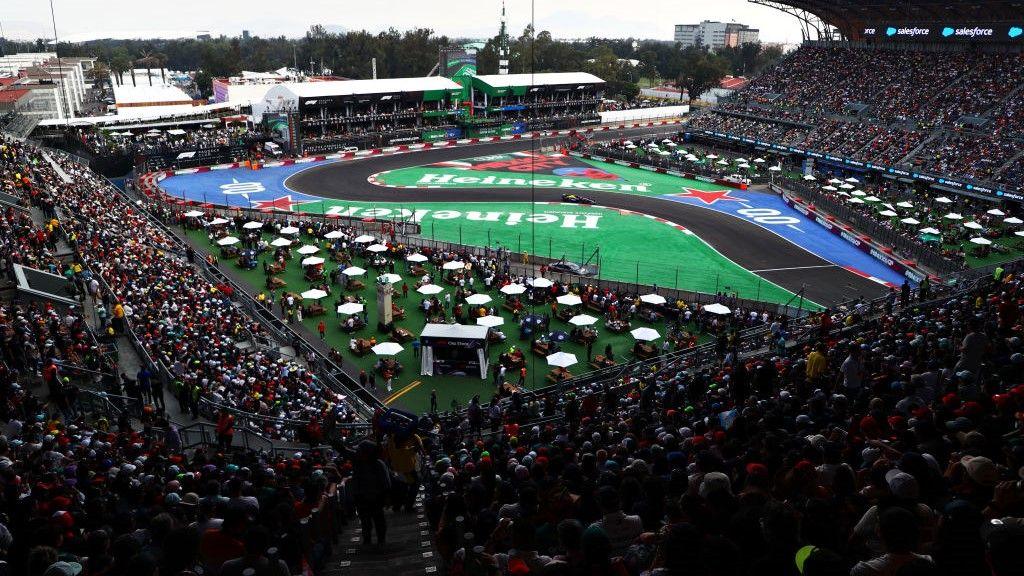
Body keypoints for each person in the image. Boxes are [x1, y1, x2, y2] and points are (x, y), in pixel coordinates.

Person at [351, 441, 391, 546]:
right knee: (365, 521)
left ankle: (381, 540)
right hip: (362, 498)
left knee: (379, 520)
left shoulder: (378, 465)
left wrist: (386, 497)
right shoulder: (358, 464)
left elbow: (385, 483)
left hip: (376, 497)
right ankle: (367, 539)